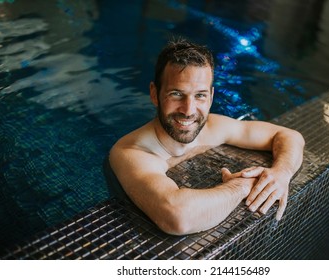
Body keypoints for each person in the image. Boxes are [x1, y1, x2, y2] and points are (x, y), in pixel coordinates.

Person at [109, 38, 305, 235]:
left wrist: (281, 173)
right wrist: (242, 186)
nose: (188, 110)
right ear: (154, 93)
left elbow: (289, 135)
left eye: (200, 95)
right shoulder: (131, 152)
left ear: (211, 96)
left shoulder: (213, 127)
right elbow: (177, 216)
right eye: (176, 94)